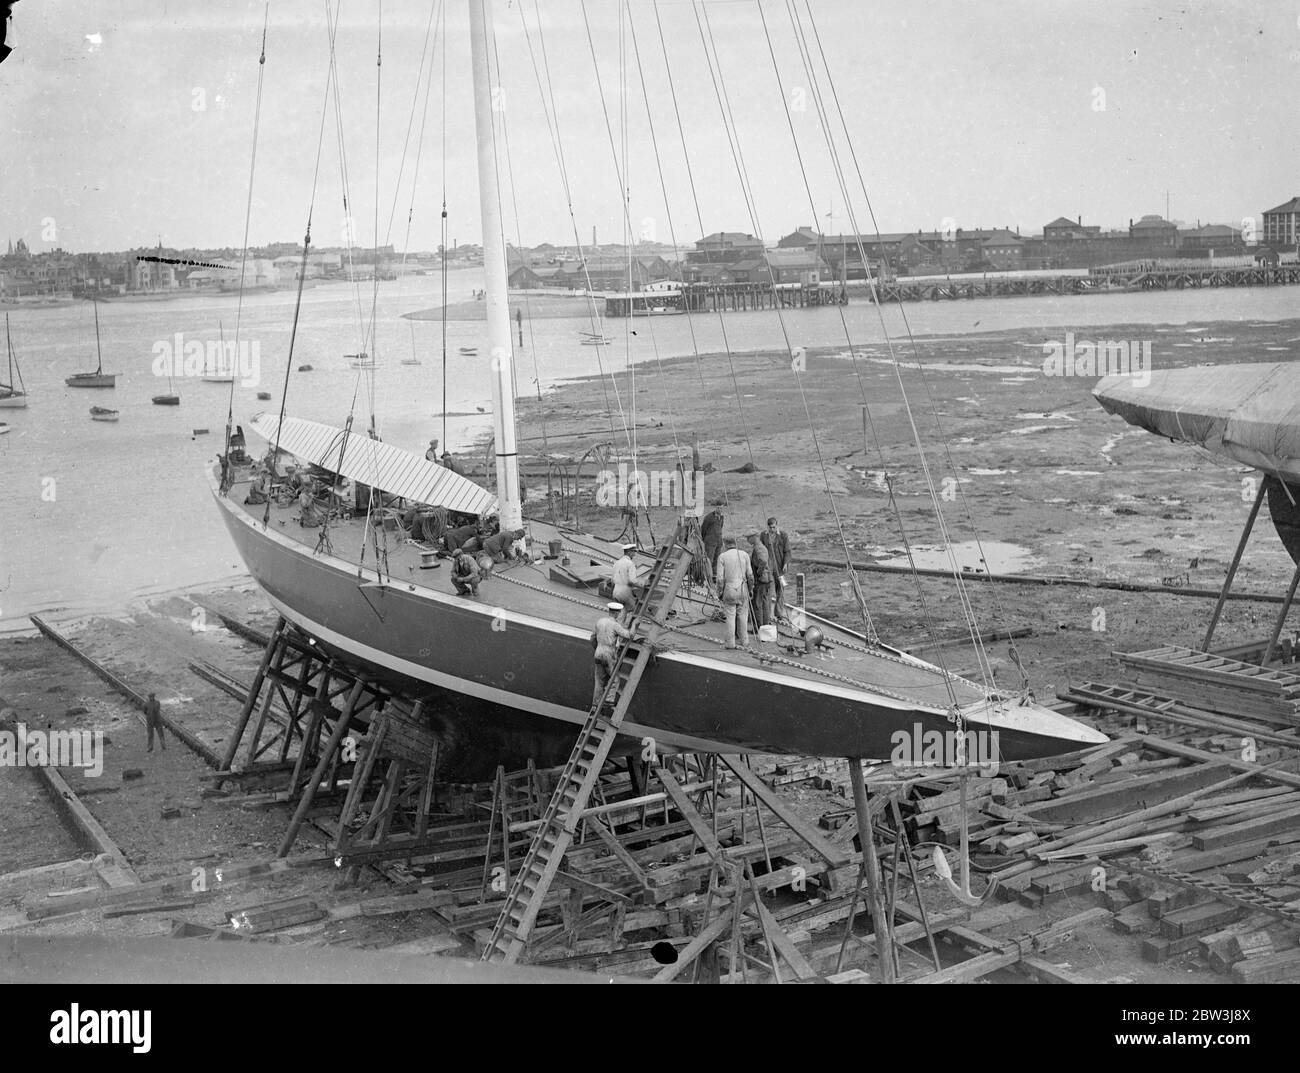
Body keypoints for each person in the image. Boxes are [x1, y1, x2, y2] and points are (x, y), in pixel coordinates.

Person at [590, 602, 634, 709]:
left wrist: (597, 648)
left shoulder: (599, 622)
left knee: (599, 680)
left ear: (609, 611)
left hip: (598, 653)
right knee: (614, 679)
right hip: (609, 654)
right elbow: (629, 635)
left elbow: (592, 638)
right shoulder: (615, 624)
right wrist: (635, 625)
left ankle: (596, 702)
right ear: (618, 613)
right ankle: (609, 700)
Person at [715, 536, 754, 650]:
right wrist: (750, 589)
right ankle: (745, 641)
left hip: (729, 589)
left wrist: (720, 592)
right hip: (743, 588)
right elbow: (750, 576)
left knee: (730, 617)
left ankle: (730, 643)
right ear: (735, 543)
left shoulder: (722, 557)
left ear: (725, 544)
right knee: (743, 616)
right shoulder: (745, 555)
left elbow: (720, 579)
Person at [761, 517, 791, 623]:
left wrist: (786, 563)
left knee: (781, 588)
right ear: (767, 527)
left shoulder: (783, 535)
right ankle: (767, 613)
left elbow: (787, 551)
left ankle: (778, 613)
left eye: (774, 527)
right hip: (768, 567)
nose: (772, 529)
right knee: (768, 590)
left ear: (776, 526)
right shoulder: (763, 535)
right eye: (770, 527)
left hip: (779, 567)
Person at [748, 533, 773, 628]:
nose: (747, 540)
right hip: (766, 579)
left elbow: (763, 561)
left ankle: (759, 627)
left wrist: (758, 572)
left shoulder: (758, 548)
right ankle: (765, 625)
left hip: (761, 580)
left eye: (748, 538)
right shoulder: (761, 547)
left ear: (754, 537)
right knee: (764, 603)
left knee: (757, 604)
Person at [610, 543, 638, 607]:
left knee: (617, 612)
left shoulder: (616, 563)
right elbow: (632, 581)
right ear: (629, 552)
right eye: (634, 551)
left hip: (615, 593)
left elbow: (612, 582)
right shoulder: (630, 564)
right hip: (625, 594)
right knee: (631, 611)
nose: (634, 554)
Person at [701, 507, 725, 576]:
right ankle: (707, 576)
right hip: (710, 543)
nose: (720, 509)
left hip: (718, 542)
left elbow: (720, 528)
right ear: (715, 508)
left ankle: (714, 576)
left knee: (717, 560)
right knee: (709, 560)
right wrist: (705, 540)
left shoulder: (722, 517)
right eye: (718, 508)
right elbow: (703, 529)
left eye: (721, 508)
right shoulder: (708, 517)